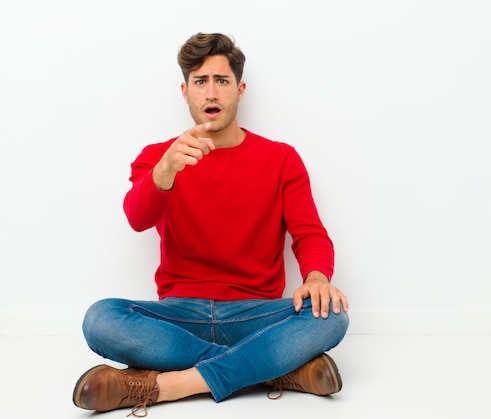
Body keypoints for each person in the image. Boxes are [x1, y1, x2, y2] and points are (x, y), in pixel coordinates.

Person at [72, 32, 349, 417]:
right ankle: (272, 371)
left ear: (240, 89)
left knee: (332, 316)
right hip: (180, 316)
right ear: (185, 91)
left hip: (254, 313)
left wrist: (317, 278)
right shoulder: (158, 157)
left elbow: (310, 234)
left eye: (222, 81)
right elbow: (136, 218)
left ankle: (169, 386)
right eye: (201, 82)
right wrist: (164, 172)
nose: (212, 93)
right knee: (99, 319)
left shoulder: (282, 158)